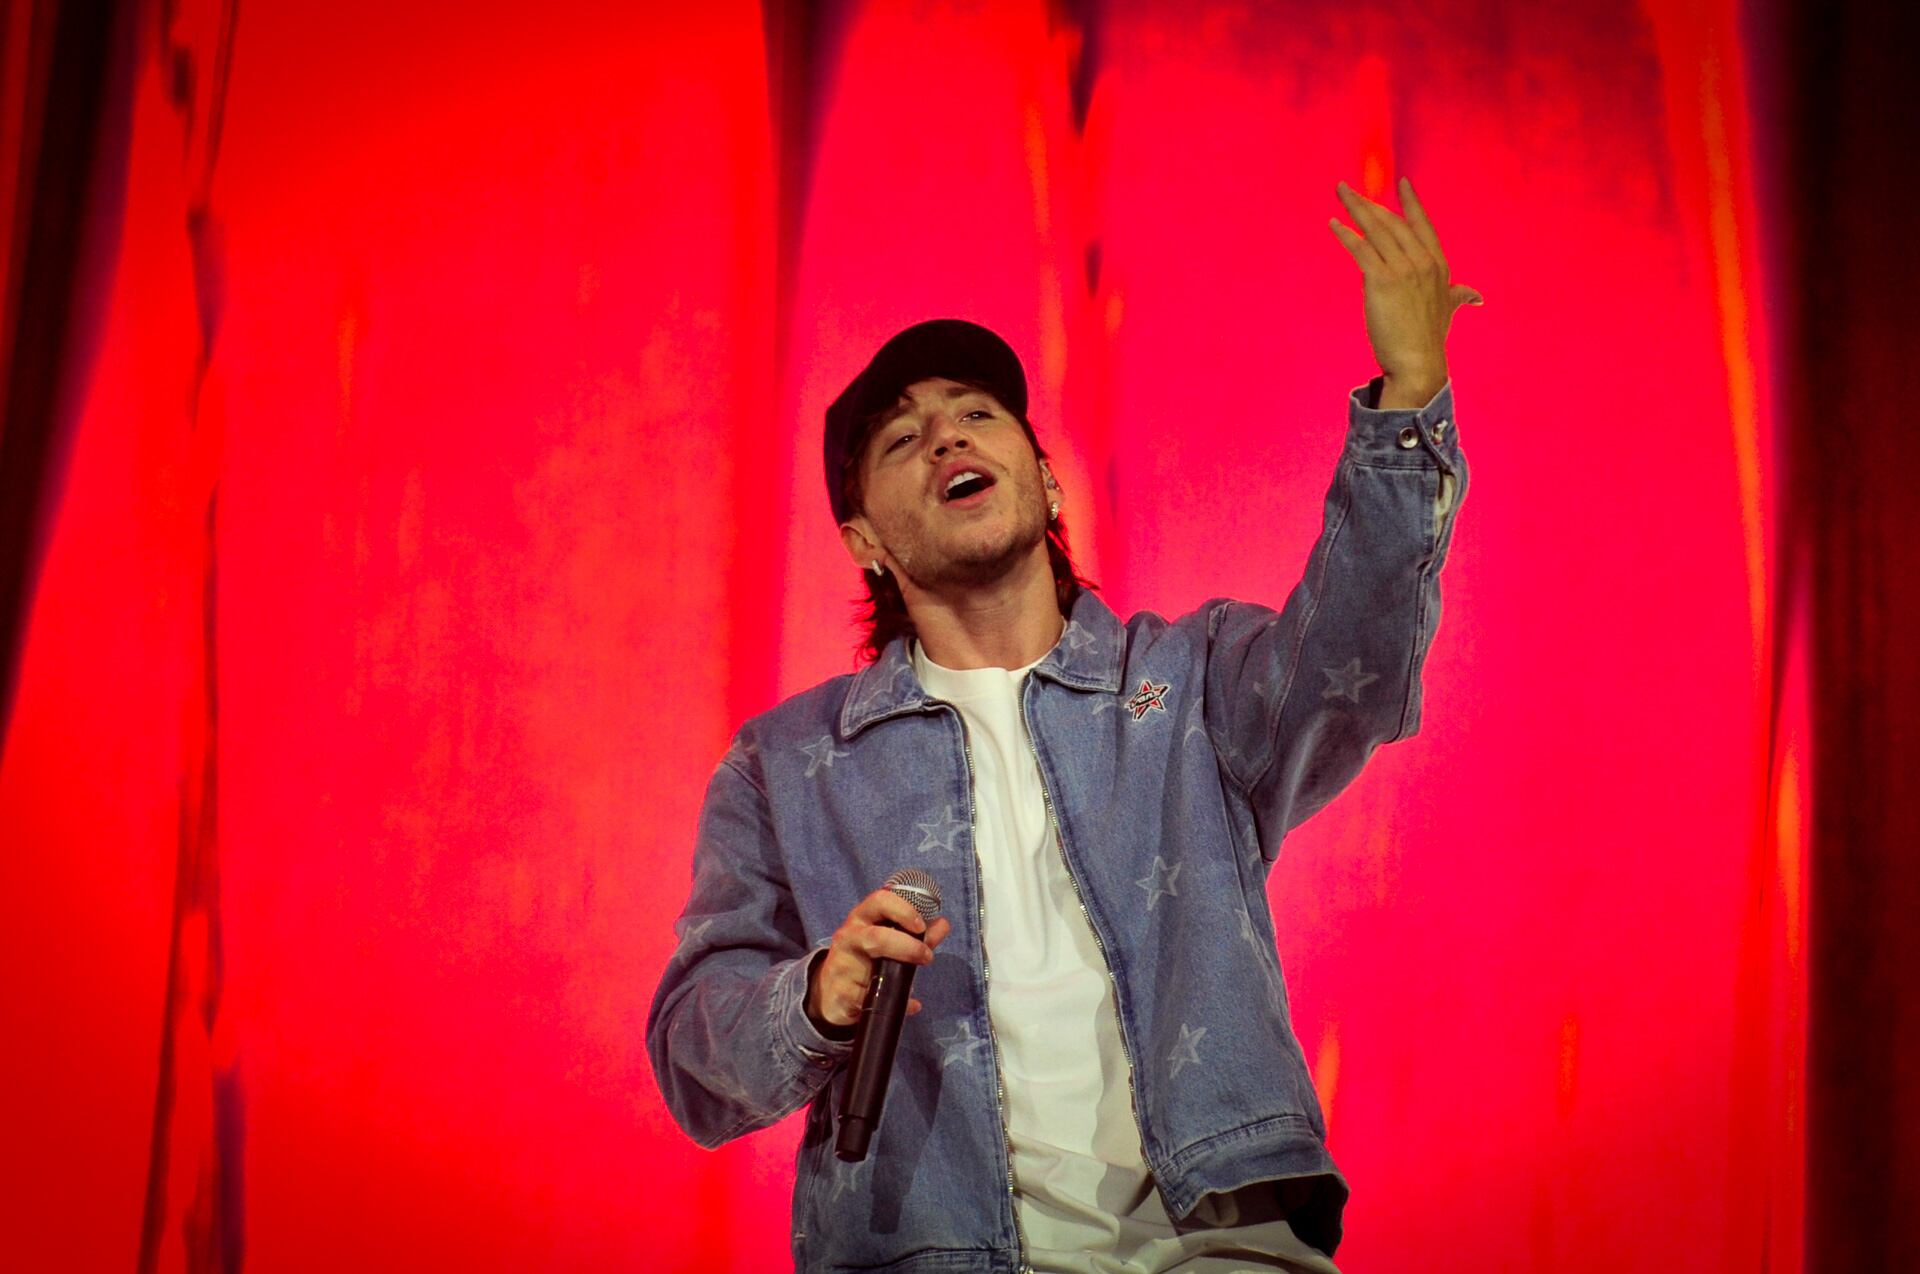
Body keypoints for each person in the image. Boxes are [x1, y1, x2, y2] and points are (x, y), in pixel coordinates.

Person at [647, 177, 1478, 1273]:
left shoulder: (1187, 681)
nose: (946, 437)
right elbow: (694, 1059)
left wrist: (1409, 398)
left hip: (1219, 1244)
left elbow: (1353, 669)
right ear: (863, 541)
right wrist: (815, 995)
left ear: (1043, 481)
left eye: (976, 414)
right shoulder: (787, 764)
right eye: (902, 439)